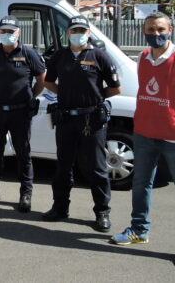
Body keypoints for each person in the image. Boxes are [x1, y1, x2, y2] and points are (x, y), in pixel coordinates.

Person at [110, 11, 175, 271]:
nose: (155, 34)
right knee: (141, 184)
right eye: (151, 29)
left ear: (170, 30)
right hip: (144, 134)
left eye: (160, 29)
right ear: (144, 31)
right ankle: (139, 230)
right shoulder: (143, 58)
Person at [42, 15, 120, 232]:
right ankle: (60, 208)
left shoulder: (99, 56)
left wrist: (95, 97)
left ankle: (102, 212)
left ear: (88, 33)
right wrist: (66, 95)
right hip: (66, 118)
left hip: (92, 119)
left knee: (96, 168)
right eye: (74, 30)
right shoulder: (59, 56)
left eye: (82, 30)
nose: (78, 34)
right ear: (67, 33)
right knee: (63, 167)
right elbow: (49, 82)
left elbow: (115, 88)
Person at [0, 15, 46, 212]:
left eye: (11, 31)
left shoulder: (29, 53)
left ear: (18, 32)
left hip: (20, 113)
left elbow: (41, 79)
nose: (7, 34)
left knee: (23, 153)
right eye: (3, 31)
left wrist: (28, 96)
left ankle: (25, 195)